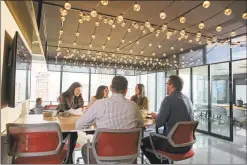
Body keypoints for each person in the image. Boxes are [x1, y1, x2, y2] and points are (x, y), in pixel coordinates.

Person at [76, 76, 144, 163]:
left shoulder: (99, 104)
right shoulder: (133, 106)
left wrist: (94, 122)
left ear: (111, 88)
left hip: (104, 156)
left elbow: (79, 125)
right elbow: (141, 124)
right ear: (126, 90)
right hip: (128, 156)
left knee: (85, 148)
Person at [141, 75, 194, 164]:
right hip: (188, 144)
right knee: (159, 136)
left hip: (172, 145)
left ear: (172, 86)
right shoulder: (188, 100)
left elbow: (159, 123)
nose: (166, 86)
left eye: (167, 84)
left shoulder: (168, 99)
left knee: (143, 142)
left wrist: (157, 117)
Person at [57, 82, 84, 164]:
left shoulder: (78, 97)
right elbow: (68, 110)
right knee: (61, 139)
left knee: (74, 136)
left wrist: (76, 112)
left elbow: (79, 109)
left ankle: (69, 158)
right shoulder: (64, 95)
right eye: (77, 90)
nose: (79, 92)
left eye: (80, 90)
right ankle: (61, 157)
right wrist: (77, 112)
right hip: (62, 121)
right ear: (73, 88)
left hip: (72, 121)